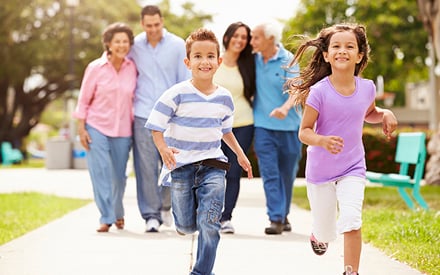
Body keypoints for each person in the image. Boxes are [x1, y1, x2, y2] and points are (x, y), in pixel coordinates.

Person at [285, 23, 398, 275]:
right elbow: (304, 131)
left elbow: (368, 113)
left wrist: (386, 113)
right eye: (336, 46)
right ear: (326, 55)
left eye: (349, 46)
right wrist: (322, 140)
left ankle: (351, 271)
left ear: (359, 56)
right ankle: (318, 235)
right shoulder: (318, 92)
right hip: (321, 170)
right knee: (327, 230)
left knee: (351, 220)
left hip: (353, 167)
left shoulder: (367, 88)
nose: (342, 50)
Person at [146, 28, 253, 275]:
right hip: (181, 166)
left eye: (210, 56)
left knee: (210, 222)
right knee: (185, 225)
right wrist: (163, 149)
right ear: (188, 61)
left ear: (219, 61)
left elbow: (226, 131)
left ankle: (202, 271)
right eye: (198, 56)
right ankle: (188, 221)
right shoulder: (176, 94)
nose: (204, 61)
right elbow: (155, 126)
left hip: (213, 165)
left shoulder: (225, 98)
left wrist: (239, 153)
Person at [128, 5, 191, 232]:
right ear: (142, 24)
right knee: (145, 167)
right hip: (142, 114)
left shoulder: (177, 45)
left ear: (162, 21)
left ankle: (166, 206)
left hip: (169, 117)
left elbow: (185, 80)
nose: (153, 29)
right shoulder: (133, 46)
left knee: (170, 163)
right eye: (148, 25)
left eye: (157, 24)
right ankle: (150, 216)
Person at [73, 22, 136, 233]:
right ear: (108, 44)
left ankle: (118, 212)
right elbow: (83, 100)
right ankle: (106, 217)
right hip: (96, 126)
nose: (121, 45)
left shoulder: (132, 68)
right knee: (100, 172)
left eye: (125, 41)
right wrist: (81, 128)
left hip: (123, 129)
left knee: (119, 175)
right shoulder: (95, 68)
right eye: (117, 41)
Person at [250, 21, 302, 235]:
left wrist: (285, 107)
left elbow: (296, 90)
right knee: (270, 173)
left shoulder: (288, 60)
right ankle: (276, 218)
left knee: (287, 175)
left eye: (256, 37)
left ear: (270, 39)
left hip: (289, 127)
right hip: (262, 126)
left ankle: (283, 213)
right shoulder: (252, 60)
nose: (251, 42)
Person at [213, 22, 256, 234]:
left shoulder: (249, 64)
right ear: (228, 37)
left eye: (244, 37)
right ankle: (208, 214)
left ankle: (226, 217)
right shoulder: (215, 61)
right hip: (213, 126)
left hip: (242, 123)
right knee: (212, 170)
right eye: (236, 36)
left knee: (233, 171)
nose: (239, 40)